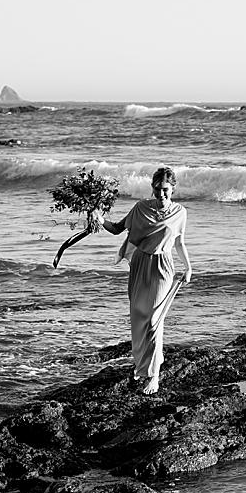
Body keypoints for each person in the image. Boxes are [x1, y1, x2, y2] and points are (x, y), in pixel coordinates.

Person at [95, 167, 192, 394]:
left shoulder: (180, 212)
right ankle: (142, 366)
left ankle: (154, 376)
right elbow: (118, 229)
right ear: (152, 188)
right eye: (157, 189)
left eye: (165, 189)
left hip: (163, 267)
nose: (161, 194)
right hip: (140, 264)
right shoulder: (140, 208)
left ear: (173, 189)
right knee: (139, 317)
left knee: (154, 320)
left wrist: (188, 267)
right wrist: (97, 217)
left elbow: (179, 243)